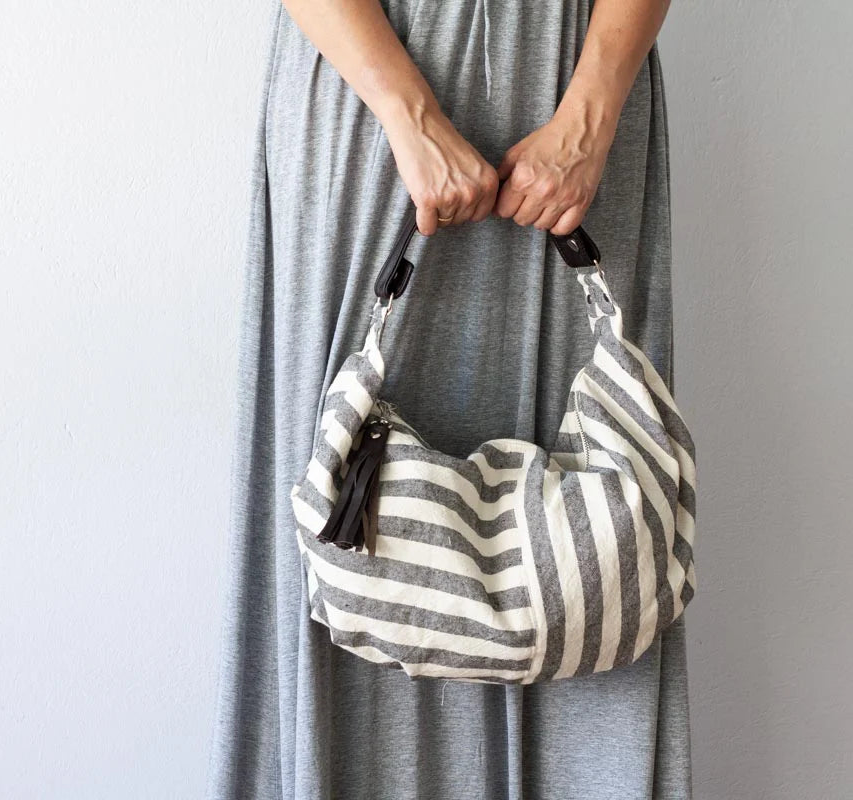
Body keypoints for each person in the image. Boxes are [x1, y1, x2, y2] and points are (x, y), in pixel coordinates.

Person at [205, 1, 690, 798]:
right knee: (345, 510)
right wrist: (410, 115)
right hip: (369, 89)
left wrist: (590, 115)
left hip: (584, 88)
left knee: (600, 553)